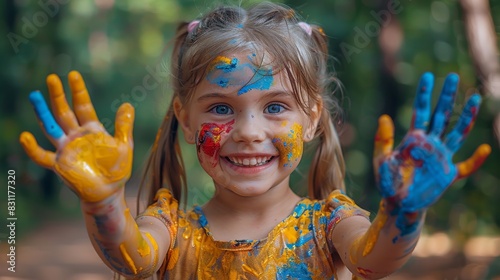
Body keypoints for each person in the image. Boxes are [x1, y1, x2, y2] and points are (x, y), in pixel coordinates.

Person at [19, 2, 491, 279]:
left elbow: (377, 258)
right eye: (221, 108)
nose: (248, 131)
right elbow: (132, 259)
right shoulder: (169, 230)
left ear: (311, 120)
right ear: (185, 120)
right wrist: (103, 204)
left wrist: (405, 212)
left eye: (276, 107)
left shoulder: (330, 225)